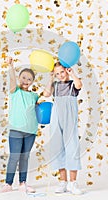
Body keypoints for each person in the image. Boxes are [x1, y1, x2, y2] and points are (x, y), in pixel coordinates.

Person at [0, 57, 38, 193]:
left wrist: (50, 78)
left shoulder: (34, 96)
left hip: (31, 131)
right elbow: (12, 81)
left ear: (32, 82)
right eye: (24, 77)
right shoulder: (15, 92)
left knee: (25, 156)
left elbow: (47, 94)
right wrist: (11, 66)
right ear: (20, 78)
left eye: (29, 79)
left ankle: (23, 182)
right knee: (14, 156)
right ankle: (8, 184)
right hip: (16, 130)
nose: (26, 81)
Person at [43, 62, 83, 195]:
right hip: (57, 118)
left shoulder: (72, 84)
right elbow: (46, 94)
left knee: (72, 146)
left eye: (62, 72)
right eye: (57, 74)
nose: (60, 75)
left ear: (66, 71)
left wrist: (72, 73)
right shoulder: (55, 85)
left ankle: (73, 182)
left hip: (69, 118)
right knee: (57, 147)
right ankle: (63, 181)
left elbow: (79, 85)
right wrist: (50, 79)